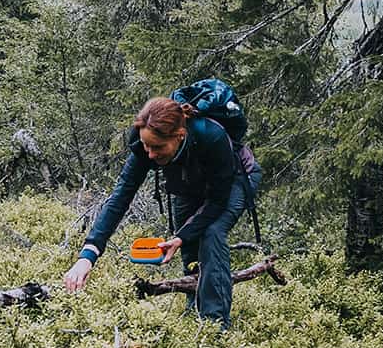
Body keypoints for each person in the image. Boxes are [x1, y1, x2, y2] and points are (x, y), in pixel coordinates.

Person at [62, 95, 261, 328]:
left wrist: (181, 236)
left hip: (234, 181)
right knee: (189, 247)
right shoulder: (143, 143)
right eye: (146, 146)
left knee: (211, 233)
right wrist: (88, 256)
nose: (151, 155)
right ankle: (193, 307)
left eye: (157, 147)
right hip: (190, 183)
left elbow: (217, 202)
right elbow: (120, 197)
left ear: (180, 136)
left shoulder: (211, 136)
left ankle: (214, 327)